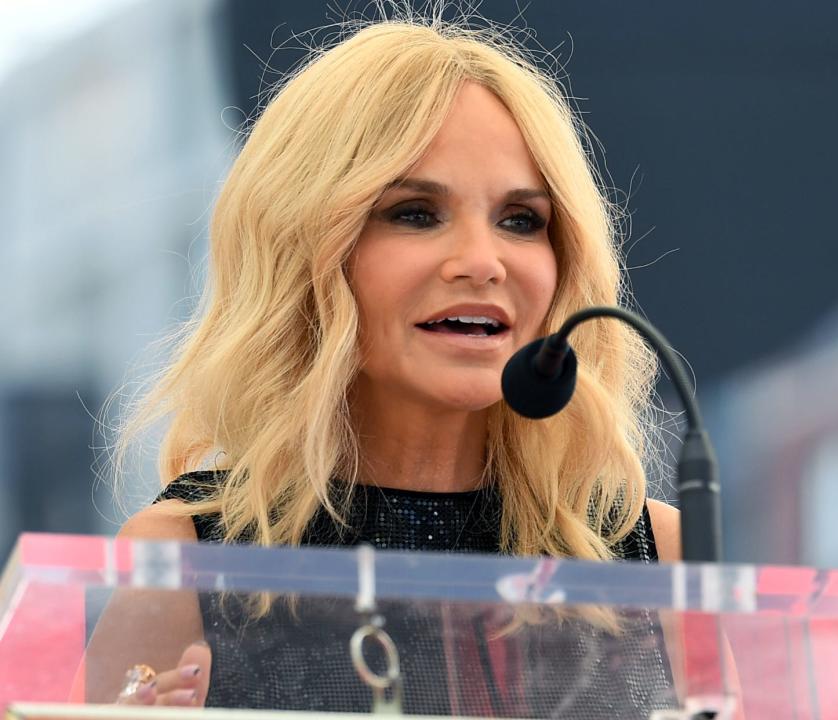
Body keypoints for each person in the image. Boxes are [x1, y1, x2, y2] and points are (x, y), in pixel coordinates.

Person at [85, 13, 682, 715]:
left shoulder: (655, 555)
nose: (483, 263)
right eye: (415, 212)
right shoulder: (185, 556)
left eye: (521, 220)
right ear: (310, 251)